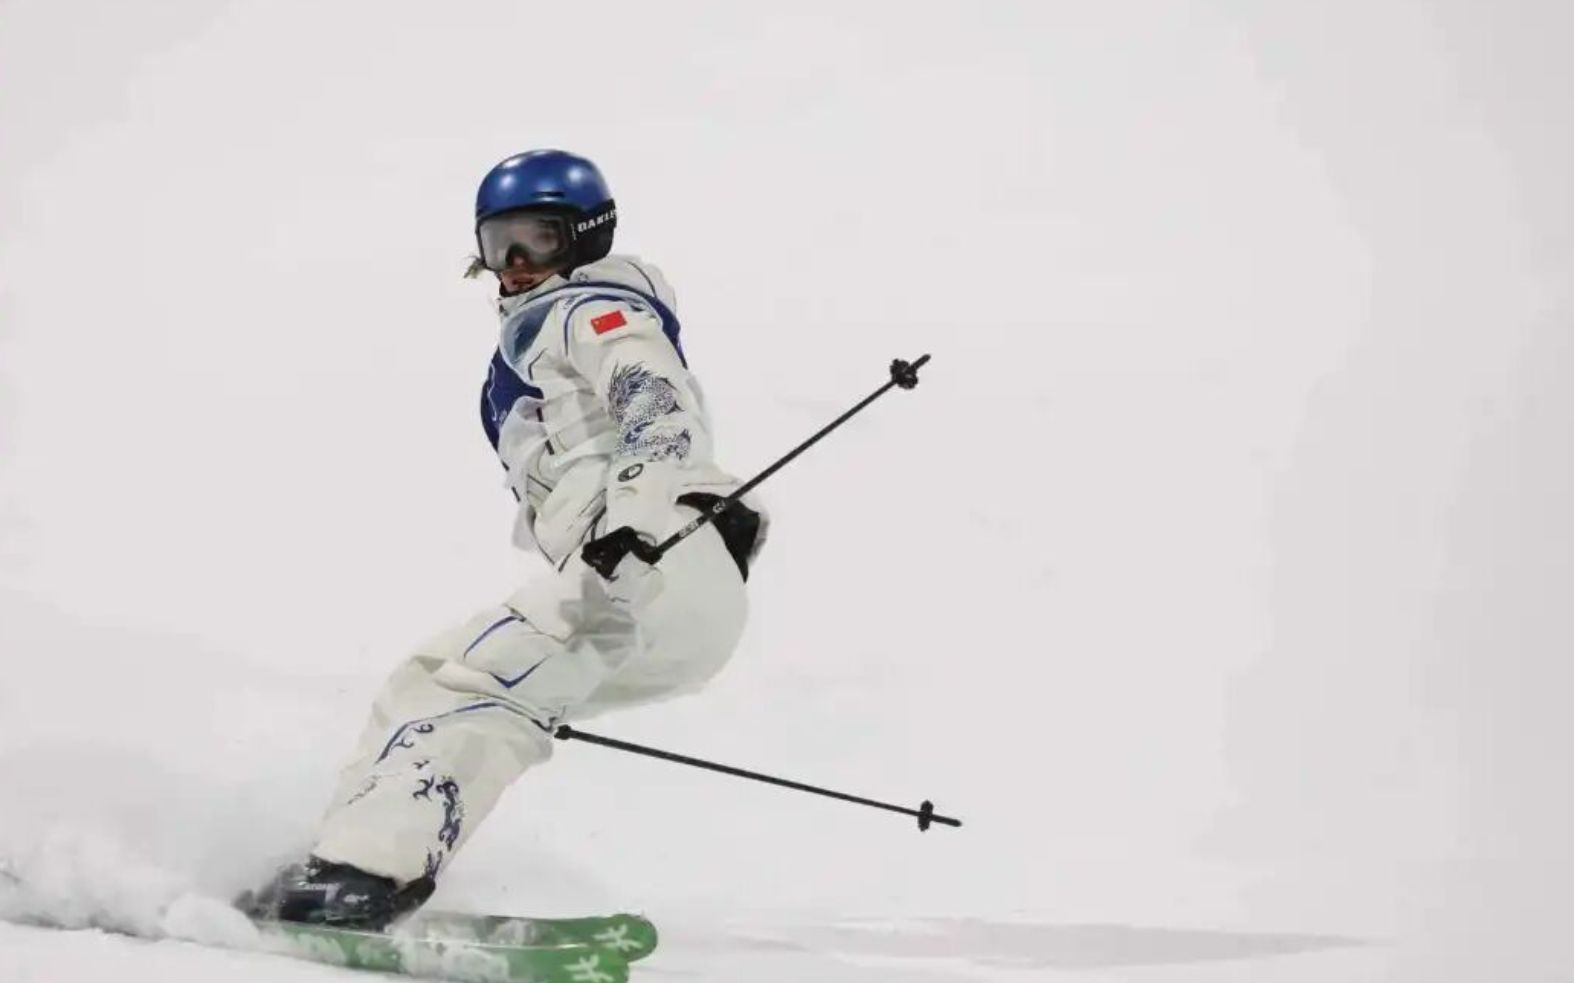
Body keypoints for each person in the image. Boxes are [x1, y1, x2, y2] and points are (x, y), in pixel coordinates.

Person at [242, 150, 767, 928]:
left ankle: (363, 873)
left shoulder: (592, 310)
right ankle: (337, 854)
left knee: (471, 686)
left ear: (586, 235)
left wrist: (636, 519)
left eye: (538, 239)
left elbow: (656, 402)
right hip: (657, 580)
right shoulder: (538, 329)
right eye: (498, 244)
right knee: (428, 681)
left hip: (649, 555)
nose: (516, 263)